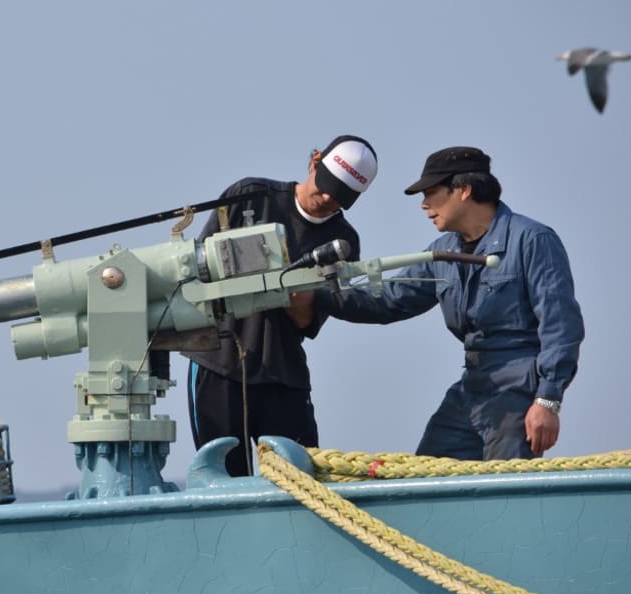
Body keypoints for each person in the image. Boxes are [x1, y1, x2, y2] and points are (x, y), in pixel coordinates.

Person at [319, 146, 584, 460]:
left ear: (464, 190)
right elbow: (389, 300)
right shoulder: (441, 251)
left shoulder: (533, 240)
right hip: (470, 389)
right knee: (425, 479)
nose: (423, 205)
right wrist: (316, 294)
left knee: (504, 497)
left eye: (431, 193)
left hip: (518, 392)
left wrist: (547, 402)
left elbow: (560, 326)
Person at [182, 135, 379, 476]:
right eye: (328, 184)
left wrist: (290, 291)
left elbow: (308, 321)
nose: (330, 197)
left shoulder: (343, 242)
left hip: (283, 371)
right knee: (221, 476)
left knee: (302, 479)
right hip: (219, 364)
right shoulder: (249, 195)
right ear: (314, 161)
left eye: (343, 196)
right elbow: (198, 270)